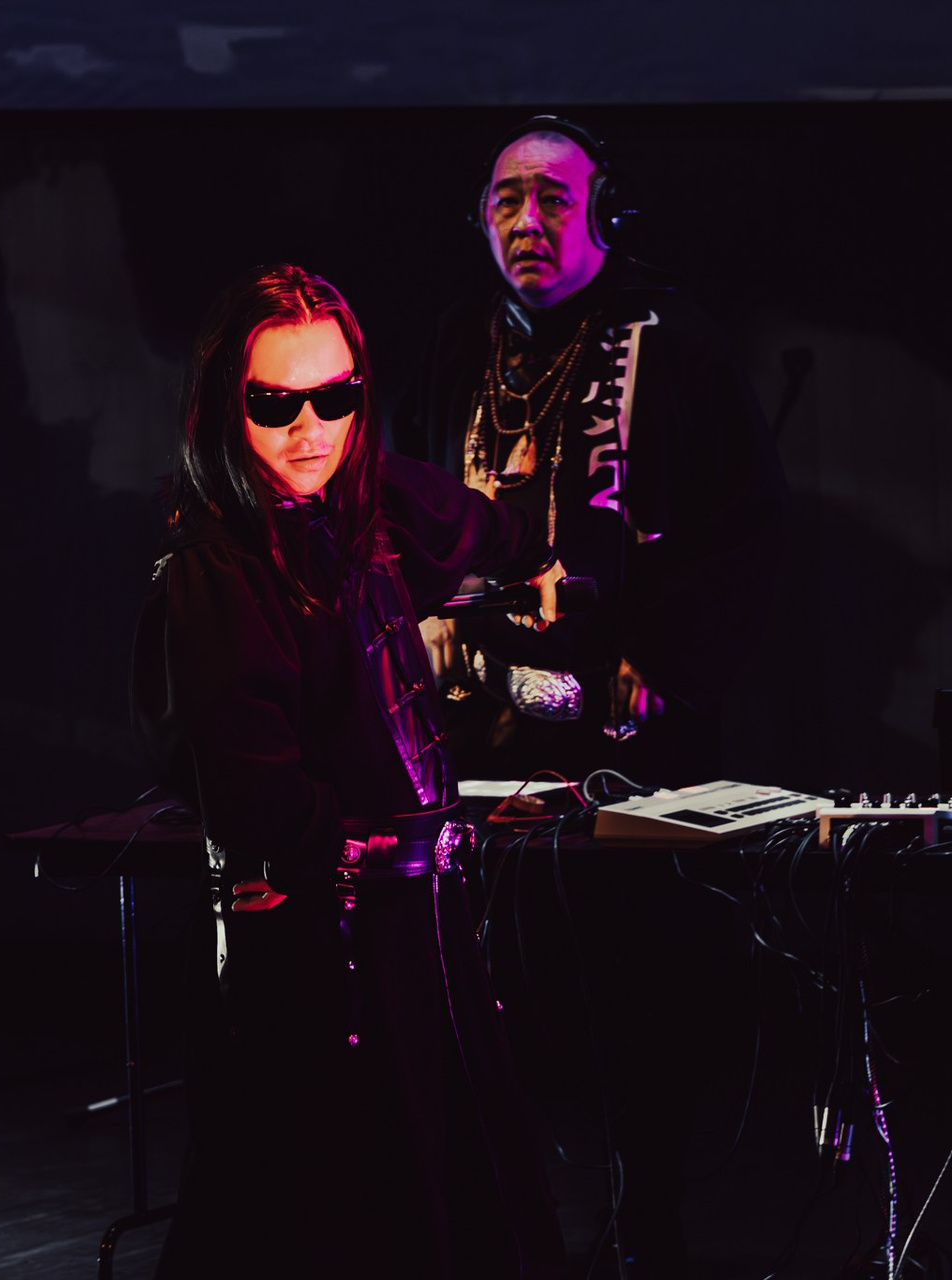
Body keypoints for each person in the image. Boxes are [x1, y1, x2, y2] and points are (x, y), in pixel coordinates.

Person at [131, 263, 568, 1278]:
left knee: (451, 1192)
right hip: (315, 949)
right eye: (275, 403)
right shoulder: (215, 569)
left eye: (336, 398)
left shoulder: (369, 510)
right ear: (225, 405)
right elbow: (254, 789)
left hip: (423, 933)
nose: (310, 430)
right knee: (322, 1206)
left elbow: (483, 525)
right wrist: (352, 847)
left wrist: (530, 560)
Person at [398, 115, 785, 786]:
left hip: (624, 721)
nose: (526, 223)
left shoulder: (674, 339)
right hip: (473, 720)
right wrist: (427, 607)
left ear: (603, 213)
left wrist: (669, 658)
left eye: (554, 199)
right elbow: (409, 495)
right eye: (507, 201)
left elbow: (743, 519)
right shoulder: (458, 341)